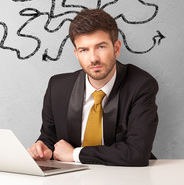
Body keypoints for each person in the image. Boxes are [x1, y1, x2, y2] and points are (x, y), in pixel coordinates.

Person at [27, 9, 158, 166]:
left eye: (101, 47)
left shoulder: (141, 85)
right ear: (76, 53)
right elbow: (50, 138)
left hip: (127, 177)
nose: (93, 58)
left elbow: (137, 153)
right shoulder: (58, 88)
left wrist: (75, 154)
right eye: (84, 50)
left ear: (116, 48)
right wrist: (42, 148)